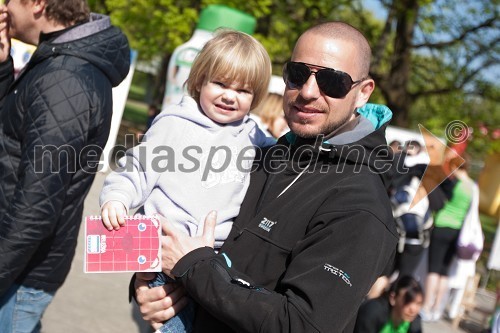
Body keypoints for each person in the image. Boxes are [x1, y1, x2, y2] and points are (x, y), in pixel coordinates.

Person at [134, 21, 399, 332]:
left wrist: (193, 268)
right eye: (298, 74)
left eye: (332, 81)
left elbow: (300, 325)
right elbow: (176, 214)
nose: (308, 92)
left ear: (363, 92)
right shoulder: (264, 154)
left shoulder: (361, 206)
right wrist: (148, 287)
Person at [100, 29, 273, 332]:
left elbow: (284, 152)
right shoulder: (175, 124)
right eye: (220, 83)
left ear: (256, 96)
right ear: (200, 80)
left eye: (243, 90)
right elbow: (137, 168)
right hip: (166, 253)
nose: (229, 96)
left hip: (217, 263)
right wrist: (117, 197)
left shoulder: (253, 134)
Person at [0, 0, 130, 332]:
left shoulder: (65, 78)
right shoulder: (59, 60)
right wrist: (3, 67)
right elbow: (12, 137)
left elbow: (36, 205)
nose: (5, 8)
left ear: (38, 4)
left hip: (19, 274)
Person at [421, 155, 475, 321]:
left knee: (433, 270)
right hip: (457, 232)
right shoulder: (472, 187)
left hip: (442, 226)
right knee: (444, 272)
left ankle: (426, 306)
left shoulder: (453, 184)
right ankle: (438, 308)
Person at [354, 275, 424, 333]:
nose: (413, 309)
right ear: (393, 298)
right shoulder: (372, 311)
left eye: (418, 303)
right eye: (407, 302)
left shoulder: (414, 322)